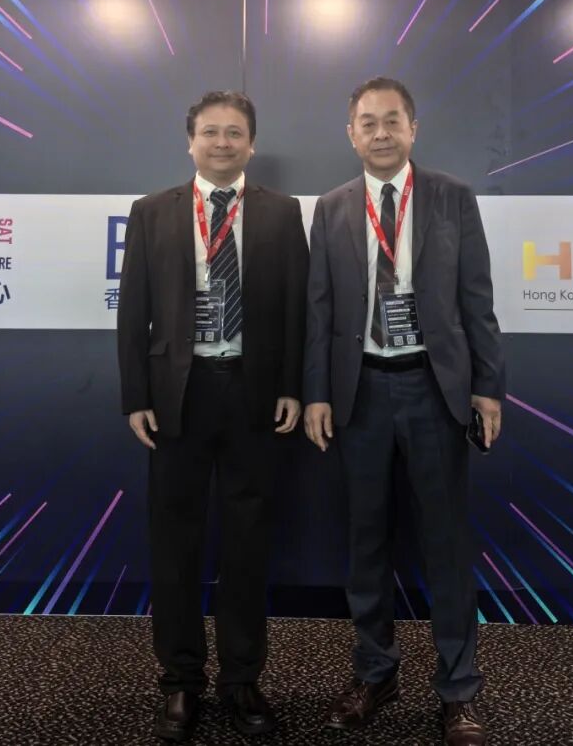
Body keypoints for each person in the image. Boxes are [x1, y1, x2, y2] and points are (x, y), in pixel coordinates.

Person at [302, 77, 504, 746]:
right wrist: (318, 392)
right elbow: (319, 309)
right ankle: (375, 672)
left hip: (432, 389)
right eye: (368, 122)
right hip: (359, 391)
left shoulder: (452, 197)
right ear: (351, 134)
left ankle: (458, 690)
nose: (381, 132)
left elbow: (477, 299)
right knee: (366, 542)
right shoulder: (332, 207)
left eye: (393, 120)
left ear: (413, 129)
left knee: (445, 544)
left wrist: (488, 386)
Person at [117, 91, 309, 741]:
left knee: (247, 542)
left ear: (252, 143)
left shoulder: (282, 213)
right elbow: (133, 312)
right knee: (176, 541)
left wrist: (292, 386)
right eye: (209, 132)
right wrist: (136, 396)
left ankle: (242, 679)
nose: (221, 143)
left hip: (253, 390)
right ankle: (180, 681)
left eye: (234, 133)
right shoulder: (152, 212)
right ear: (190, 141)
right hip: (180, 393)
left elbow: (296, 309)